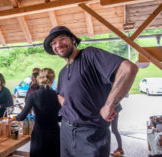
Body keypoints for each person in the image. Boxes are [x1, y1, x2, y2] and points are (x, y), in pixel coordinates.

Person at [43, 26, 138, 157]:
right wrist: (69, 106)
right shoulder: (63, 72)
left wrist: (109, 105)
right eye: (53, 43)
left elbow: (128, 69)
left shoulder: (89, 55)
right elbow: (60, 95)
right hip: (66, 130)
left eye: (62, 39)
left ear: (72, 40)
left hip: (91, 133)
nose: (58, 44)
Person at [11, 68, 60, 157]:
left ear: (39, 79)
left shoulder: (33, 95)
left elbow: (22, 116)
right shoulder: (57, 95)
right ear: (52, 80)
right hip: (54, 134)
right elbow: (61, 116)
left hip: (39, 134)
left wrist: (14, 118)